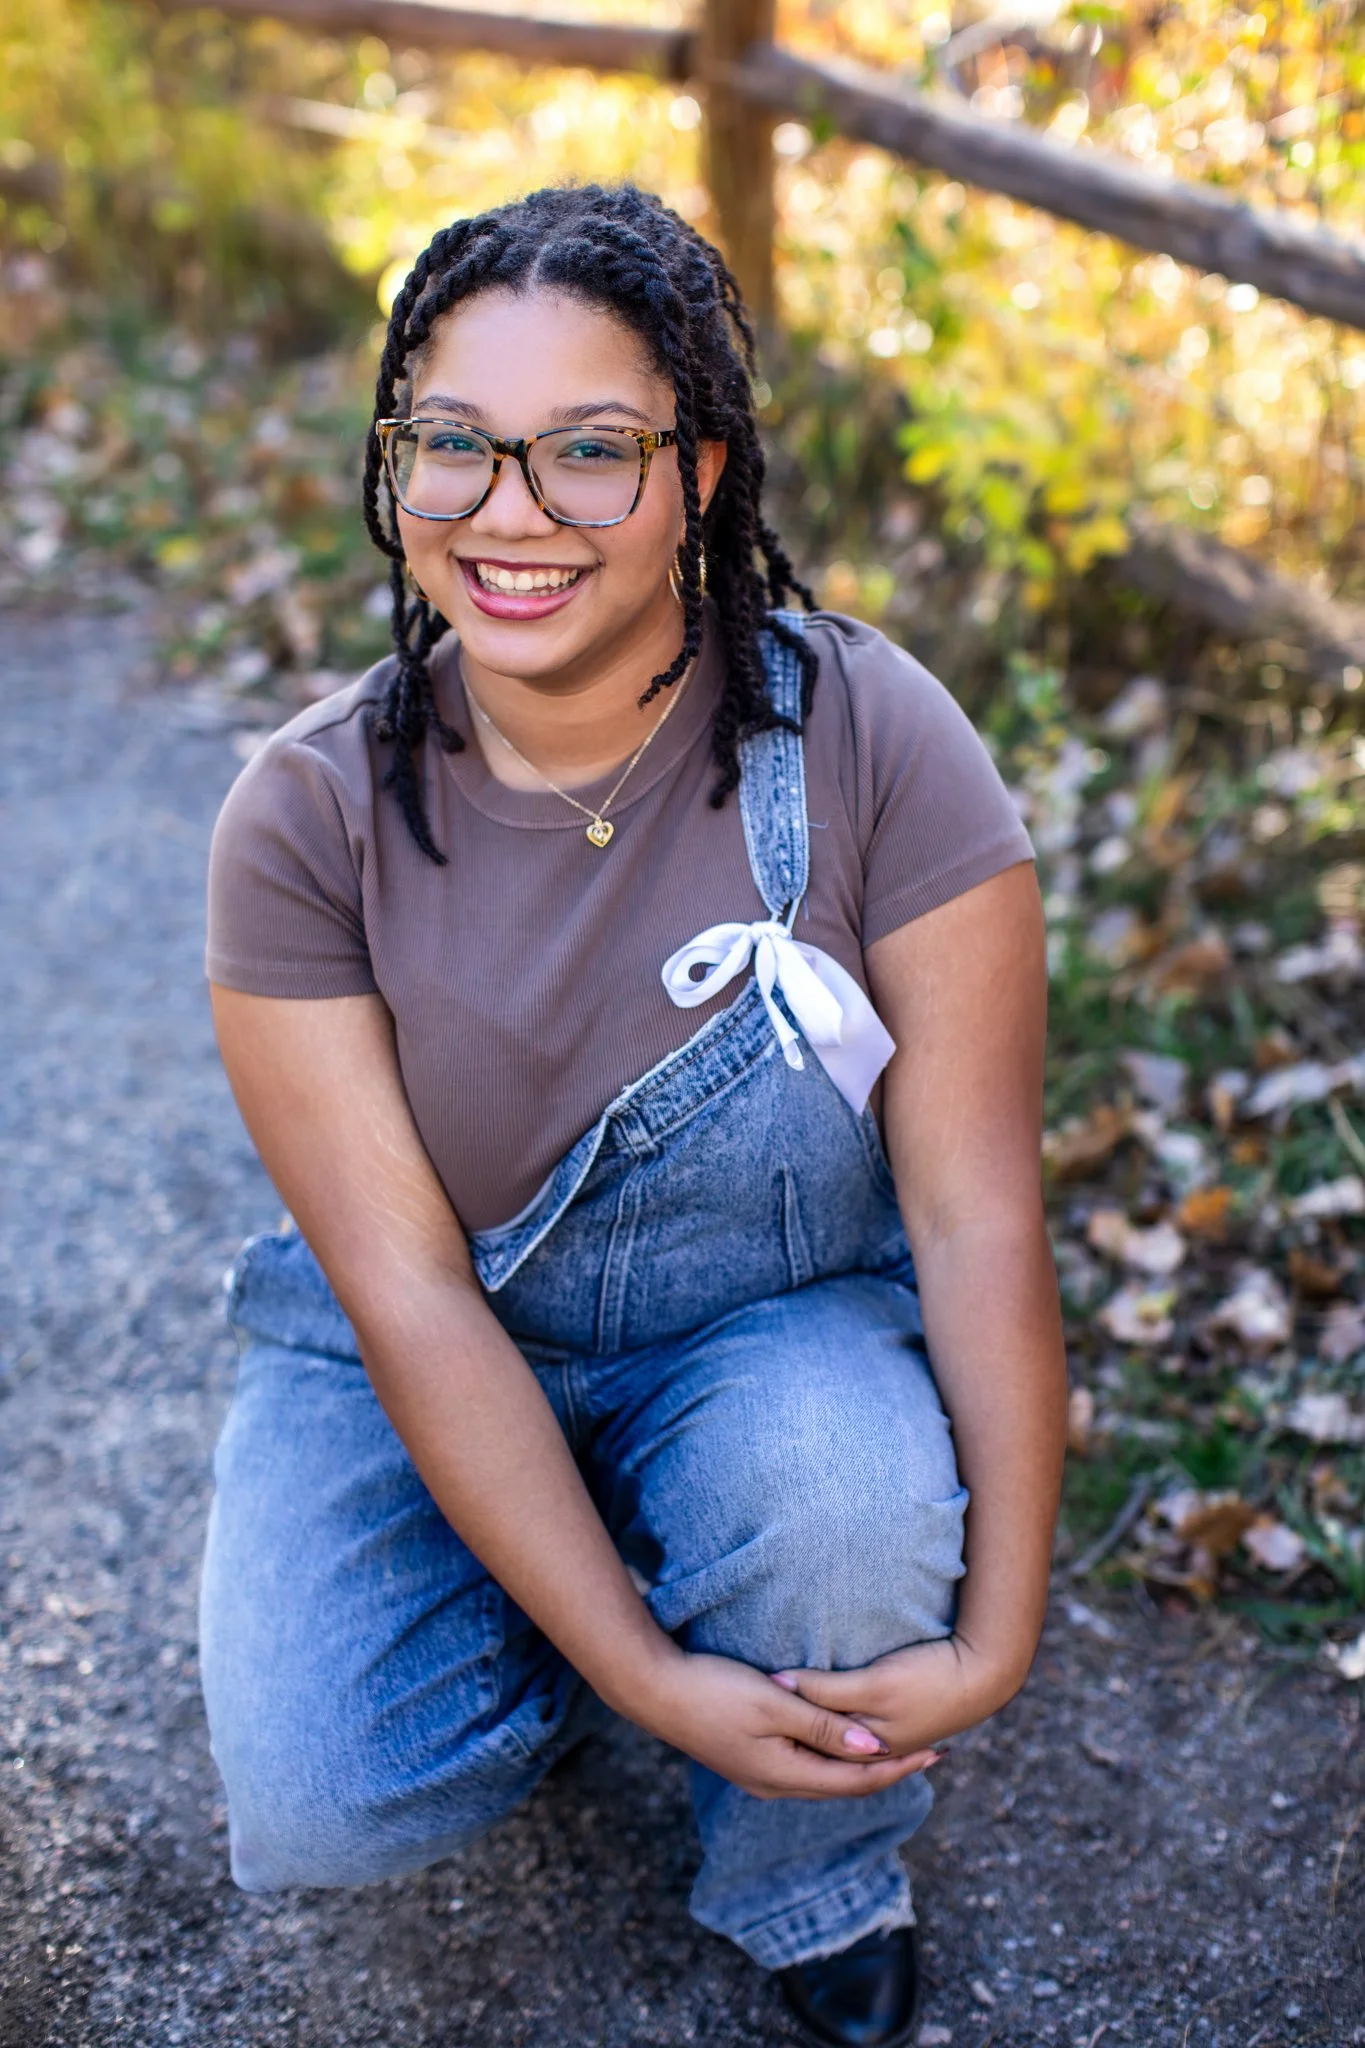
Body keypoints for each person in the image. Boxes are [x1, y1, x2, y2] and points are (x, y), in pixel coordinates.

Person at [199, 181, 1066, 2048]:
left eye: (592, 451)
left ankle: (811, 1864)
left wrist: (995, 1631)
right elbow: (412, 1297)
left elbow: (982, 1213)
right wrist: (644, 1676)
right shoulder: (303, 821)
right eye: (456, 447)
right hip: (425, 1349)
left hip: (766, 1334)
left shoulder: (870, 739)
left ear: (702, 469)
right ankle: (607, 1605)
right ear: (395, 461)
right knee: (328, 1795)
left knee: (833, 1501)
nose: (512, 515)